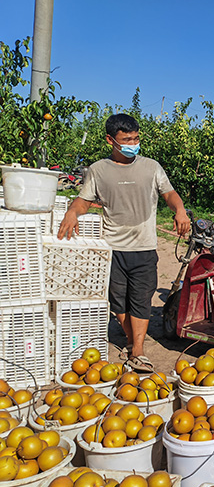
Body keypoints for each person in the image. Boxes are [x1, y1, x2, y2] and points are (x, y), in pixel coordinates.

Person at [57, 113, 189, 371]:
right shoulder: (98, 170)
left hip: (144, 245)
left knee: (141, 298)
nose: (133, 143)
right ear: (110, 140)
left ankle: (137, 351)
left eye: (136, 138)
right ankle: (131, 340)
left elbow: (169, 193)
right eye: (126, 139)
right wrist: (72, 212)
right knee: (118, 300)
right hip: (112, 247)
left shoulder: (151, 167)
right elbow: (84, 200)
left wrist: (179, 210)